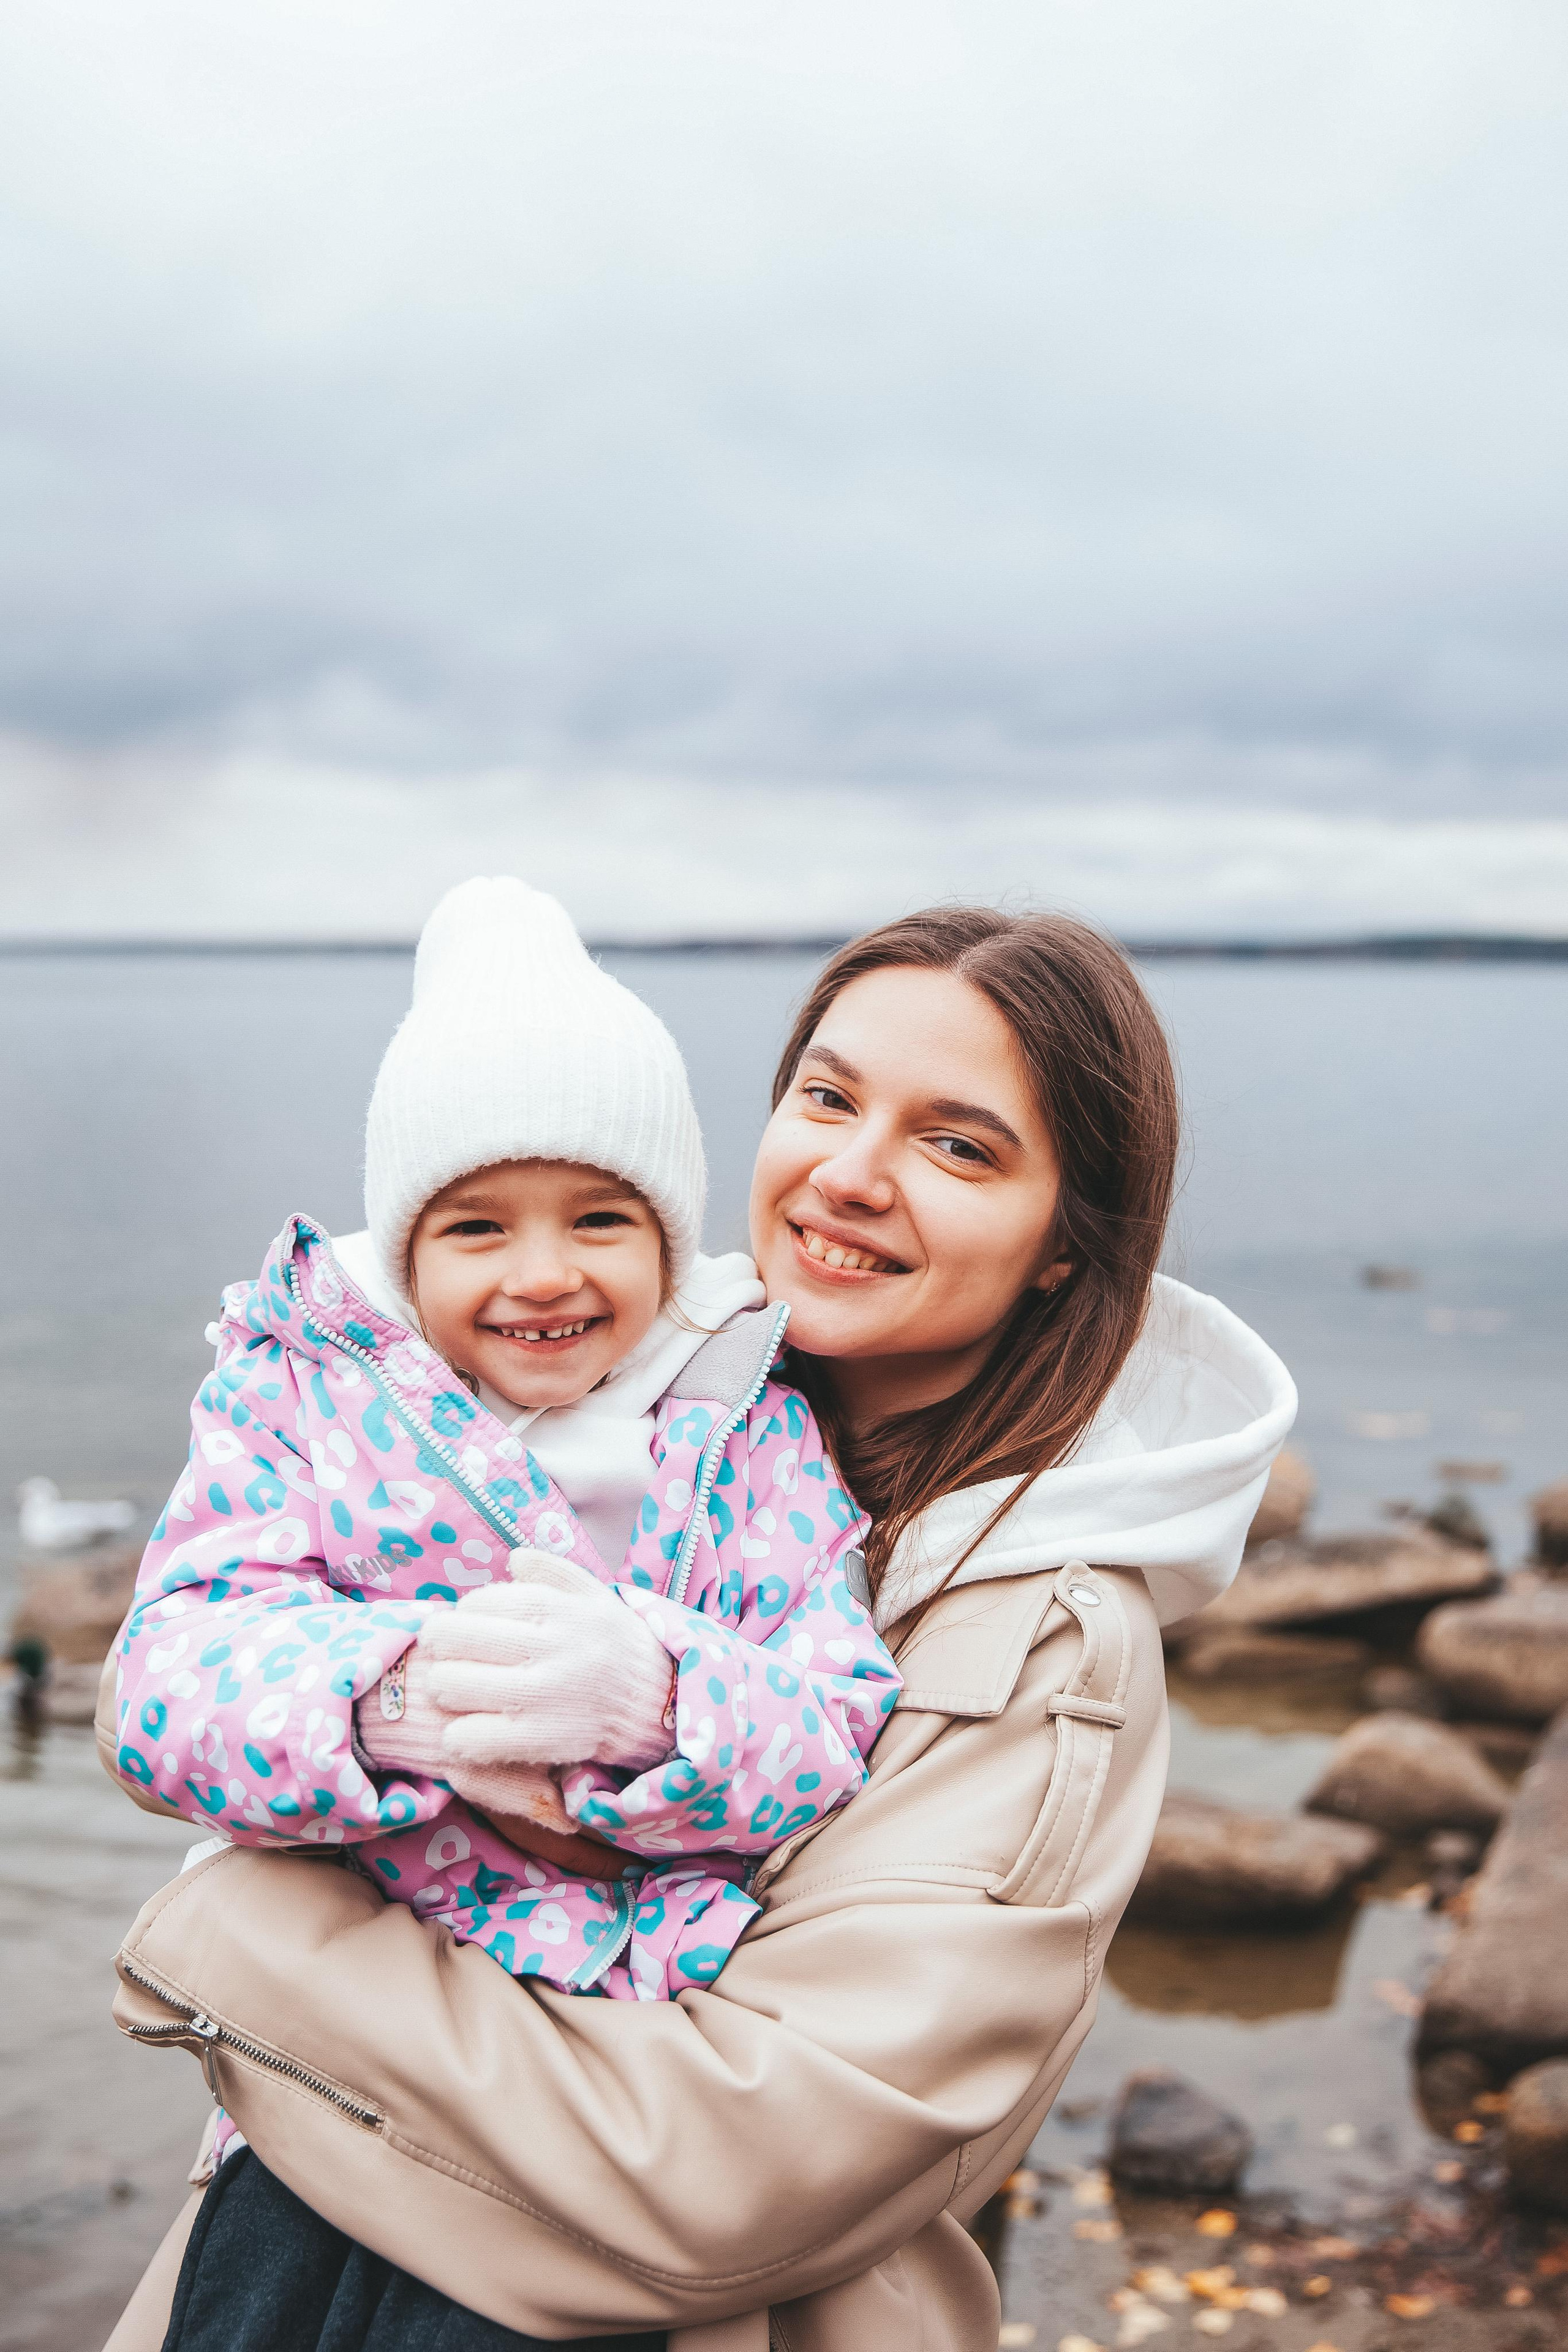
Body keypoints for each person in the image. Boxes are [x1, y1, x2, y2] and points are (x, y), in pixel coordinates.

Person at [103, 906, 1297, 2352]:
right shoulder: (635, 1383)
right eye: (828, 1097)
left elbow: (734, 2173)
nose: (848, 1176)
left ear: (1063, 1245)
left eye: (957, 1145)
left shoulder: (1044, 1637)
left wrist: (239, 1935)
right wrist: (387, 1703)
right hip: (308, 2236)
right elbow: (173, 1662)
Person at [110, 872, 899, 2045]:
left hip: (657, 2009)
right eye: (478, 1225)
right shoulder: (299, 1394)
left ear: (671, 1244)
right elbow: (160, 1693)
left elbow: (836, 1730)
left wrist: (656, 1701)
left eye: (600, 1220)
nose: (542, 1273)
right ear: (406, 1250)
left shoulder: (747, 1421)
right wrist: (406, 1702)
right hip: (355, 2008)